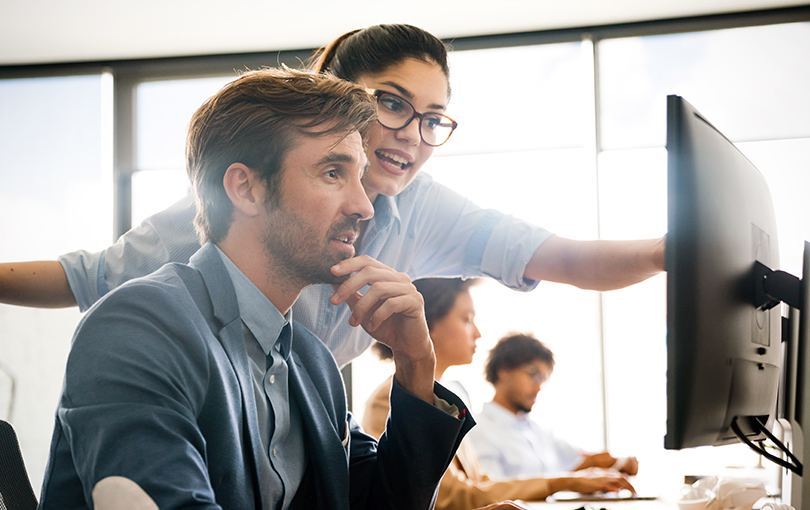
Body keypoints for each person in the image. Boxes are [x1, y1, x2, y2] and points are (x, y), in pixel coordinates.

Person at [0, 24, 665, 368]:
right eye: (392, 104)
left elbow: (567, 259)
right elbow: (87, 276)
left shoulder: (426, 208)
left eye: (434, 118)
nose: (413, 136)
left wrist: (676, 253)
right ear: (336, 98)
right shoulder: (244, 199)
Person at [37, 68, 473, 510]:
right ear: (246, 188)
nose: (363, 207)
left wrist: (416, 365)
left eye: (359, 177)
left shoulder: (311, 362)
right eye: (332, 173)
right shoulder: (138, 326)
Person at [362, 278, 635, 510]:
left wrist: (574, 479)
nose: (478, 333)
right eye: (467, 319)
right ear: (426, 323)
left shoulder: (445, 399)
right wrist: (564, 482)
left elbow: (480, 484)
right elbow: (455, 498)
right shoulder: (393, 399)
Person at [469, 333, 638, 481]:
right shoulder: (477, 431)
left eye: (543, 379)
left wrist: (618, 463)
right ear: (504, 370)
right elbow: (491, 496)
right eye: (533, 375)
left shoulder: (538, 432)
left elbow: (582, 457)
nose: (538, 387)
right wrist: (571, 480)